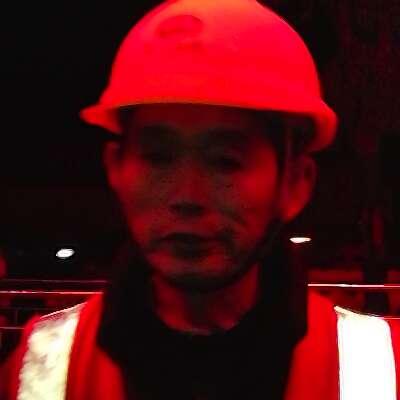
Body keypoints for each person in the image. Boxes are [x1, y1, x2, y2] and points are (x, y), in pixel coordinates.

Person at [2, 0, 400, 399]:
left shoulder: (377, 369)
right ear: (115, 168)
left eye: (225, 162)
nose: (186, 196)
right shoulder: (43, 366)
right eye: (158, 157)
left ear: (295, 182)